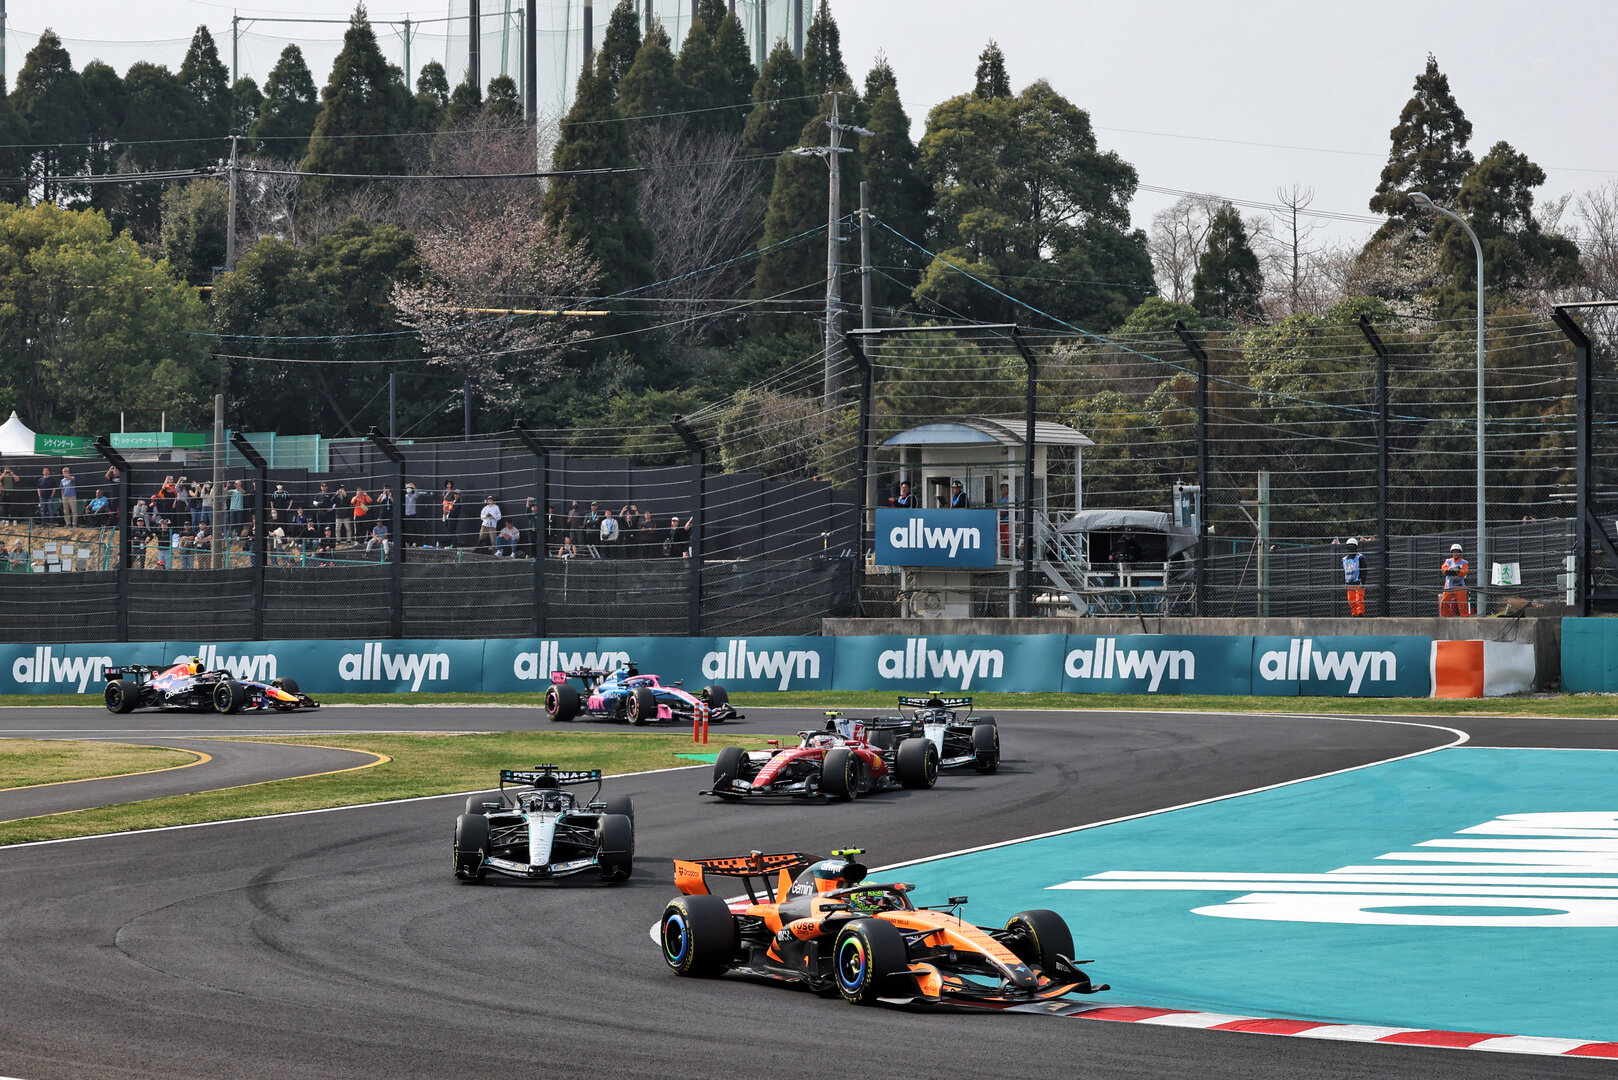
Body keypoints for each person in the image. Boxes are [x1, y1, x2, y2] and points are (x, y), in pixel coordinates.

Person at [1439, 543, 1470, 616]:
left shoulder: (1464, 562)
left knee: (1462, 603)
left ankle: (1465, 617)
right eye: (1454, 552)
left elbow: (1465, 572)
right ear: (1452, 552)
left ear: (1460, 553)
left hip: (1460, 586)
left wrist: (1456, 571)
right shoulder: (1448, 561)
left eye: (1457, 552)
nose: (1456, 553)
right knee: (1444, 602)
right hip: (1449, 586)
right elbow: (1443, 569)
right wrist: (1448, 570)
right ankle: (1445, 617)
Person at [1343, 536, 1365, 617]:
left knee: (1359, 599)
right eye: (1349, 546)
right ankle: (1354, 614)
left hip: (1358, 581)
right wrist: (1345, 582)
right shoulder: (1345, 559)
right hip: (1349, 582)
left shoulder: (1360, 557)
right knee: (1351, 600)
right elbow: (1344, 571)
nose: (1350, 548)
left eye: (1352, 546)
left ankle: (1360, 614)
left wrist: (1363, 581)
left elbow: (1364, 570)